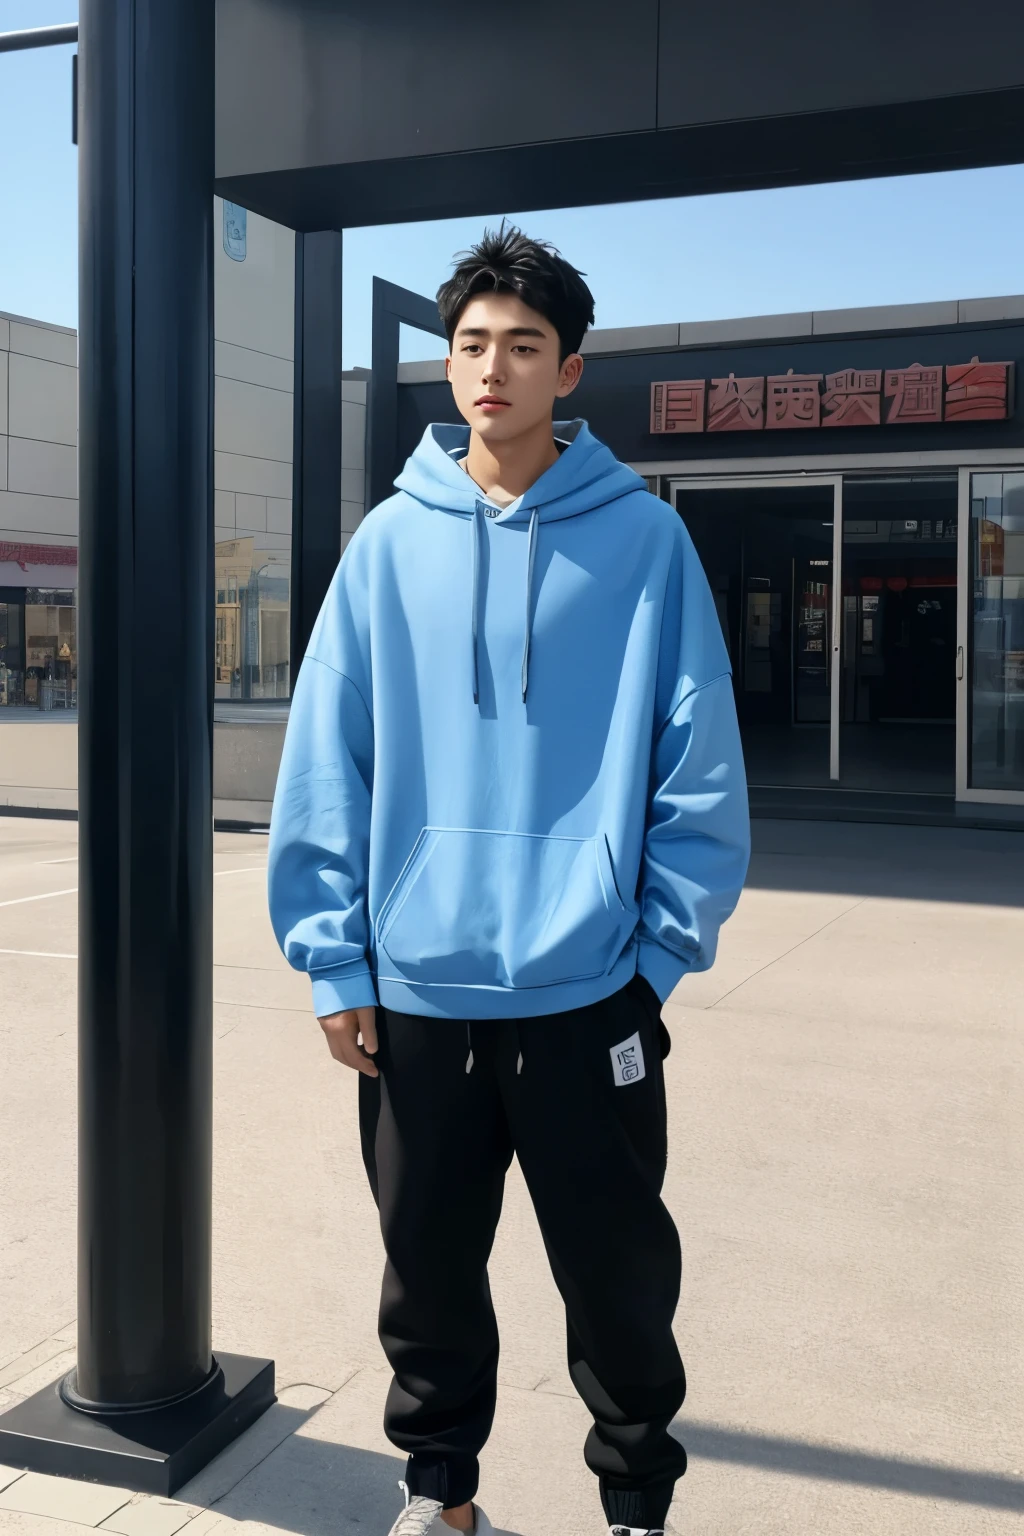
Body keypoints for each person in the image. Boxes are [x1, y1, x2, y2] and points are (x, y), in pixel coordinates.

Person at [268, 224, 750, 1536]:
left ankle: (637, 1505)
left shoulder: (645, 548)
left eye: (522, 347)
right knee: (426, 1272)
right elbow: (328, 766)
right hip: (416, 1000)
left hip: (589, 995)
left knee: (619, 1278)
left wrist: (651, 967)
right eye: (471, 344)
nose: (492, 369)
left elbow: (697, 770)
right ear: (449, 362)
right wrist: (334, 958)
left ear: (570, 370)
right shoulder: (385, 550)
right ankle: (441, 1496)